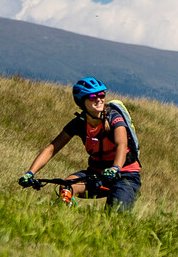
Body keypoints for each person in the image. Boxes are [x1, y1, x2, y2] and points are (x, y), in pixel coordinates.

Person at [18, 77, 142, 212]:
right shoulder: (80, 123)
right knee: (66, 187)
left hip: (125, 174)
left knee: (116, 216)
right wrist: (30, 173)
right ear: (82, 101)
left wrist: (115, 168)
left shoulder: (114, 117)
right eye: (93, 96)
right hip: (97, 174)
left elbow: (121, 144)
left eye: (101, 95)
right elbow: (52, 148)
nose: (99, 99)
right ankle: (68, 217)